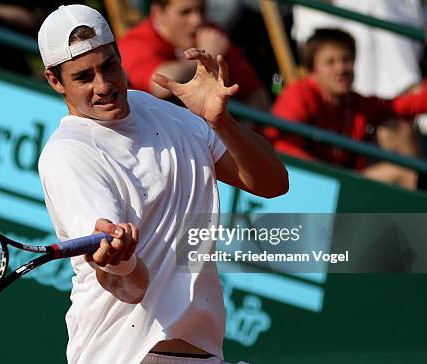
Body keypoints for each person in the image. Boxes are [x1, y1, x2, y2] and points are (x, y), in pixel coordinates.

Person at [37, 4, 288, 364]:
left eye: (109, 65)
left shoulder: (166, 113)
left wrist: (223, 123)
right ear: (54, 80)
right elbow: (130, 286)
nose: (103, 86)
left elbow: (273, 183)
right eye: (83, 77)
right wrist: (120, 264)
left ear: (120, 55)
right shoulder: (69, 155)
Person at [269, 28, 427, 189]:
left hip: (342, 184)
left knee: (399, 129)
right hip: (306, 187)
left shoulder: (356, 103)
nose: (341, 68)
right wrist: (331, 176)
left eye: (347, 60)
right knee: (400, 173)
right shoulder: (298, 95)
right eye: (330, 62)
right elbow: (280, 146)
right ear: (313, 71)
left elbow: (413, 104)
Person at [117, 0, 270, 110]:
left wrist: (238, 133)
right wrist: (206, 54)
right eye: (185, 12)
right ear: (158, 13)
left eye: (201, 10)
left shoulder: (211, 35)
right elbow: (159, 85)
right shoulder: (136, 41)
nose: (197, 20)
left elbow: (257, 95)